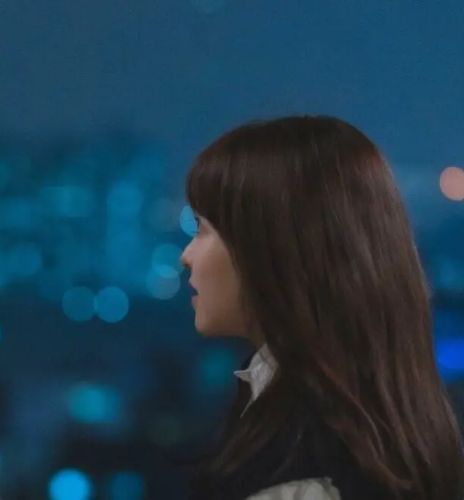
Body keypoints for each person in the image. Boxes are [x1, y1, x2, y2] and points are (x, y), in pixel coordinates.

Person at [180, 116, 464, 499]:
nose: (186, 255)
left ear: (271, 247)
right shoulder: (367, 423)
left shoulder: (298, 465)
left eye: (203, 229)